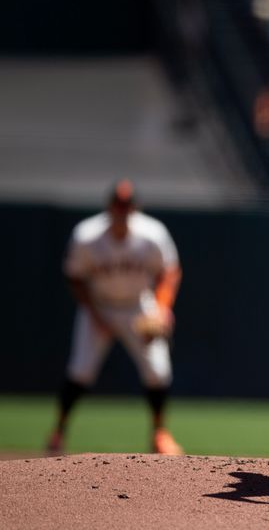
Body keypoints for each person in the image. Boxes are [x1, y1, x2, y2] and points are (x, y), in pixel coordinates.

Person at [46, 179, 184, 456]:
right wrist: (95, 315)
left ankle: (159, 434)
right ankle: (59, 431)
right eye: (118, 205)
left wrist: (162, 307)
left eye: (127, 205)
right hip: (100, 306)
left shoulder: (152, 234)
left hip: (138, 306)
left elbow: (169, 271)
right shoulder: (87, 235)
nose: (123, 210)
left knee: (158, 371)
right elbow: (75, 278)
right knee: (80, 371)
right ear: (109, 207)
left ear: (135, 207)